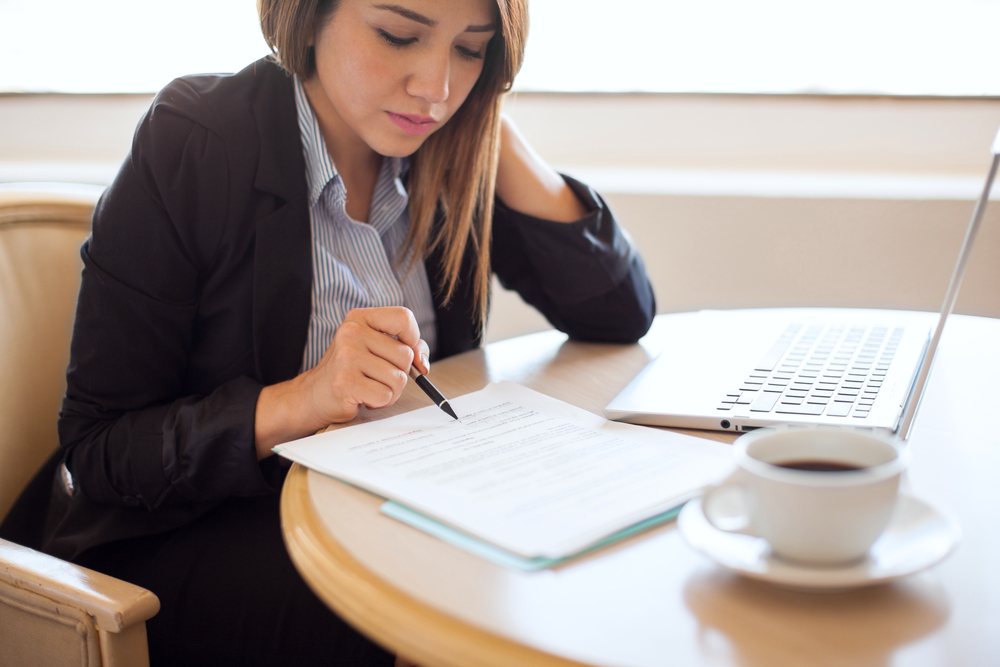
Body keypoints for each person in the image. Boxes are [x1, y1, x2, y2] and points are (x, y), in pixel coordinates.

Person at [1, 0, 654, 665]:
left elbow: (619, 312)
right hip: (188, 534)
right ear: (308, 16)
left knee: (578, 579)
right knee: (434, 616)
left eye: (472, 48)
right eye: (399, 35)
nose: (436, 88)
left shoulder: (444, 142)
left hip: (389, 508)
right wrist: (301, 399)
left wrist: (496, 133)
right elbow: (101, 449)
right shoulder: (195, 139)